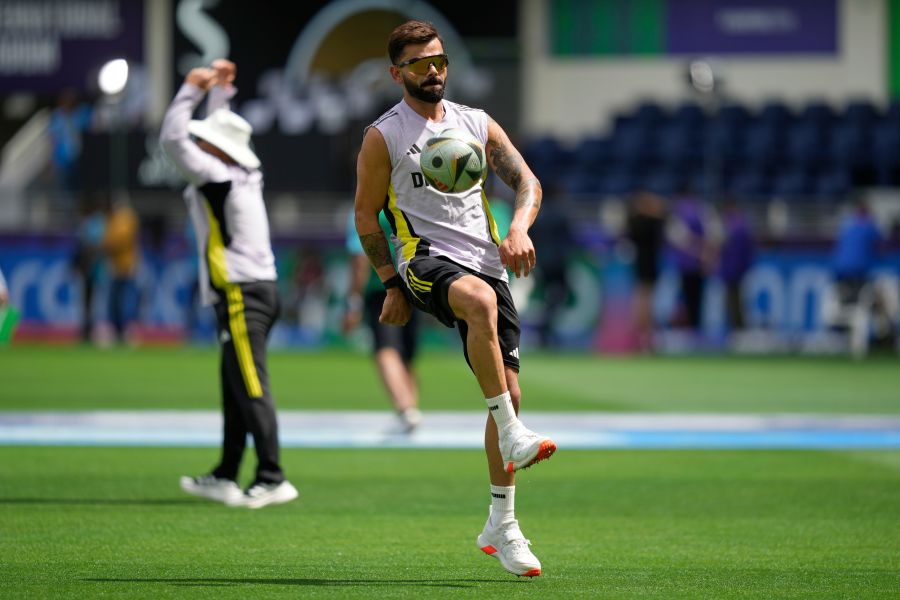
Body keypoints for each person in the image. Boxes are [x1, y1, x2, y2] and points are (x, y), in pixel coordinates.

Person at [354, 21, 556, 577]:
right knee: (479, 307)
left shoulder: (475, 123)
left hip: (489, 262)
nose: (434, 70)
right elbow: (365, 214)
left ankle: (503, 525)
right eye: (420, 64)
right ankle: (514, 433)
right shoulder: (384, 136)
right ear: (398, 73)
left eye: (439, 60)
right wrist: (390, 282)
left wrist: (518, 229)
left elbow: (527, 181)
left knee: (509, 390)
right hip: (423, 259)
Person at [160, 58, 298, 509]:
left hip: (242, 292)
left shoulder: (218, 177)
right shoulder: (243, 174)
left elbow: (174, 138)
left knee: (251, 384)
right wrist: (220, 91)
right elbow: (217, 135)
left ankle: (273, 476)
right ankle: (225, 473)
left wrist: (190, 90)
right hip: (257, 288)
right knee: (236, 385)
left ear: (218, 150)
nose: (201, 145)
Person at [343, 210, 422, 432]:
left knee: (386, 349)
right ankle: (411, 408)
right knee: (407, 352)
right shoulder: (405, 202)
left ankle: (407, 409)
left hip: (382, 290)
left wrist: (353, 302)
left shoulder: (365, 209)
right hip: (415, 282)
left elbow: (359, 260)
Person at [625, 190, 667, 350]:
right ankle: (645, 339)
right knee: (644, 303)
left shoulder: (639, 221)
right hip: (647, 265)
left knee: (644, 301)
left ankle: (644, 338)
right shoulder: (649, 222)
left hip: (645, 264)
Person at [101, 199, 141, 343]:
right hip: (117, 266)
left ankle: (126, 330)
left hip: (126, 266)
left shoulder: (125, 220)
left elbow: (116, 241)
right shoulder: (115, 220)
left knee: (125, 300)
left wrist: (109, 245)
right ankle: (118, 330)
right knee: (115, 301)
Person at [717, 201, 754, 331]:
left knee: (735, 301)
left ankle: (738, 328)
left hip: (733, 269)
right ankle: (737, 327)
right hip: (737, 269)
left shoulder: (732, 226)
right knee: (735, 300)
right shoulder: (741, 226)